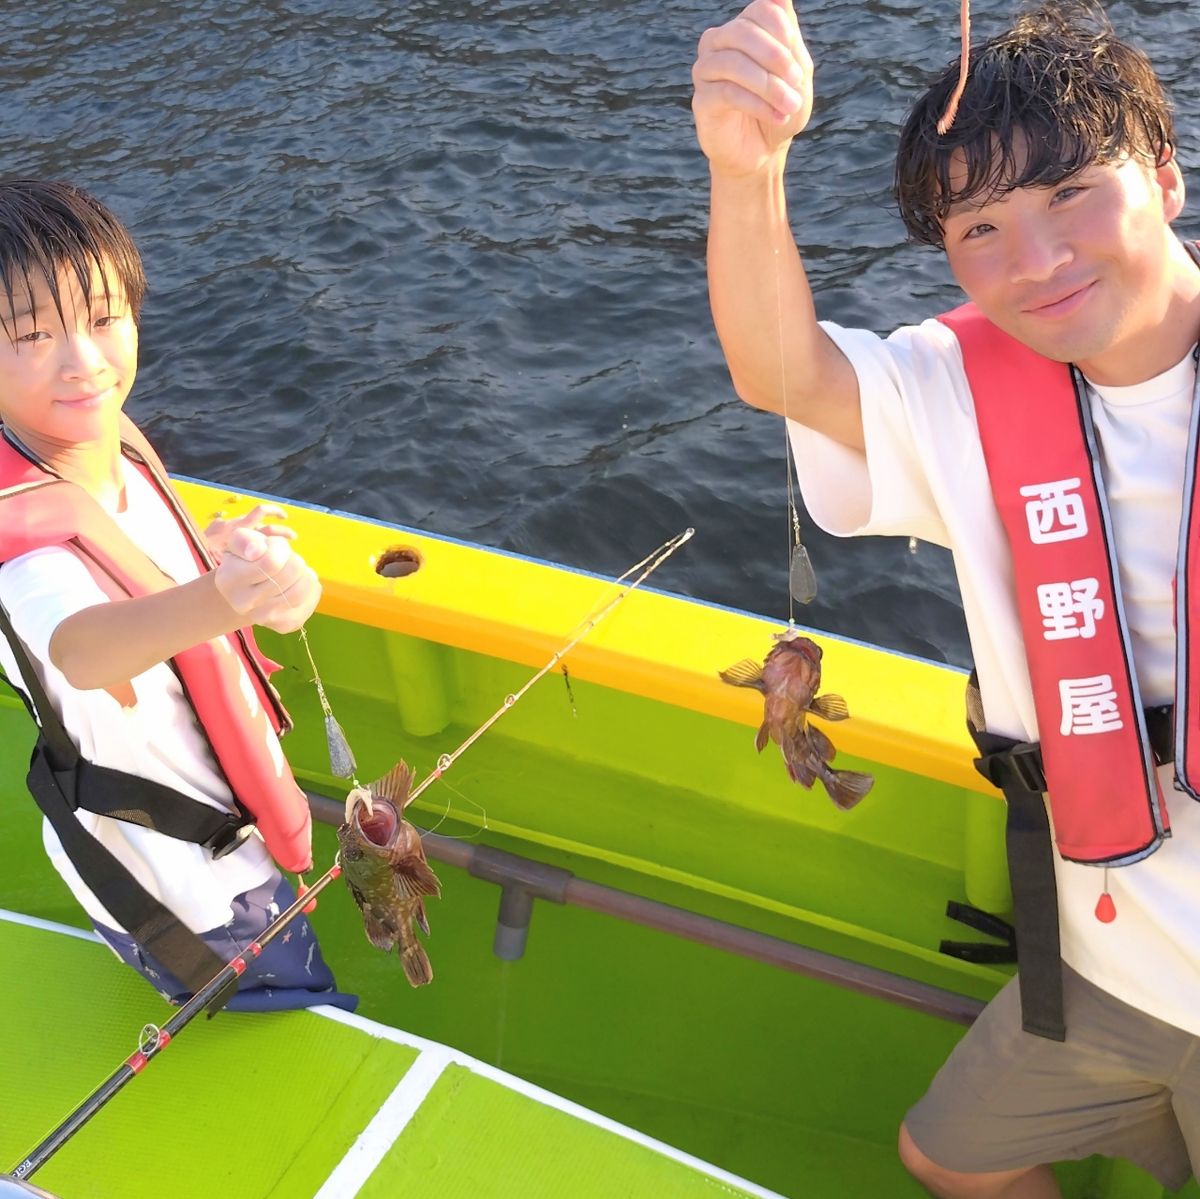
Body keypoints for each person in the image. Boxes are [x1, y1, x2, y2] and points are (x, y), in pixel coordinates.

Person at [694, 1, 1200, 1195]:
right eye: (981, 225)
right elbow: (782, 368)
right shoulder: (963, 386)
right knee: (948, 1153)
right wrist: (746, 163)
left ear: (1167, 175)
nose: (1036, 260)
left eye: (1071, 192)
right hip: (1106, 963)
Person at [0, 179, 354, 1013]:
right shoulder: (23, 548)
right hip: (190, 889)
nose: (83, 362)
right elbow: (84, 648)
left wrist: (223, 560)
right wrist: (225, 601)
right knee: (297, 1019)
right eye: (31, 334)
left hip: (217, 837)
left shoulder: (104, 447)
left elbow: (139, 569)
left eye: (102, 317)